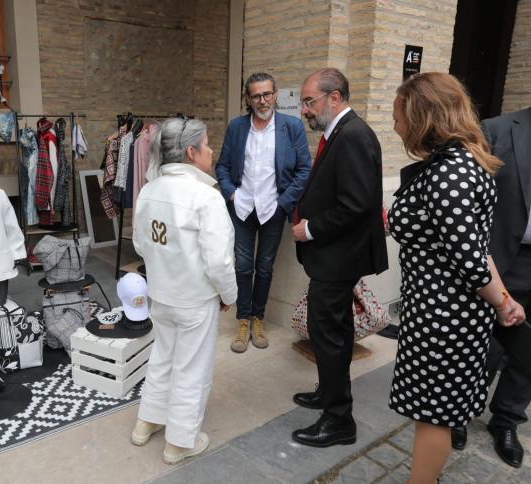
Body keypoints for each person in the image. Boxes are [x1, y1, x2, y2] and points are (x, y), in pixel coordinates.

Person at [388, 72, 526, 483]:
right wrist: (505, 298)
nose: (395, 125)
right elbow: (478, 246)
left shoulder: (451, 173)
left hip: (444, 322)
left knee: (433, 417)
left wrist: (504, 305)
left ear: (422, 117)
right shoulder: (454, 163)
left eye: (398, 116)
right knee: (433, 415)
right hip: (437, 314)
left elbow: (471, 260)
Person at [130, 117, 237, 465]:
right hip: (194, 299)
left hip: (161, 294)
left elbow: (141, 244)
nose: (211, 152)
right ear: (191, 152)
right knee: (192, 369)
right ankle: (180, 441)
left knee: (162, 358)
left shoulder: (149, 190)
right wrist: (228, 295)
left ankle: (146, 422)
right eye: (206, 146)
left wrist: (164, 269)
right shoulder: (206, 197)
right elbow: (219, 261)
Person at [291, 67, 388, 447]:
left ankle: (338, 421)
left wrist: (310, 228)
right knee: (334, 333)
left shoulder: (353, 136)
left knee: (328, 335)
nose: (305, 110)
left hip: (338, 257)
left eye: (309, 101)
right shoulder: (340, 134)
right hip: (334, 257)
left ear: (335, 98)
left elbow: (356, 204)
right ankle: (328, 394)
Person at [450, 106, 531, 468]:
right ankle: (461, 411)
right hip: (502, 261)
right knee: (485, 344)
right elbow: (468, 201)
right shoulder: (497, 130)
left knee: (528, 353)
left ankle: (507, 419)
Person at [216, 72, 311, 353]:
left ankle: (258, 317)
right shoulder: (236, 127)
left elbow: (304, 169)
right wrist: (231, 193)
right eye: (256, 95)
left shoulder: (291, 127)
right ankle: (243, 319)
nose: (262, 100)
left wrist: (284, 203)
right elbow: (222, 166)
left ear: (275, 94)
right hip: (242, 208)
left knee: (264, 267)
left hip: (273, 209)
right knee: (243, 266)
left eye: (267, 94)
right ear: (248, 98)